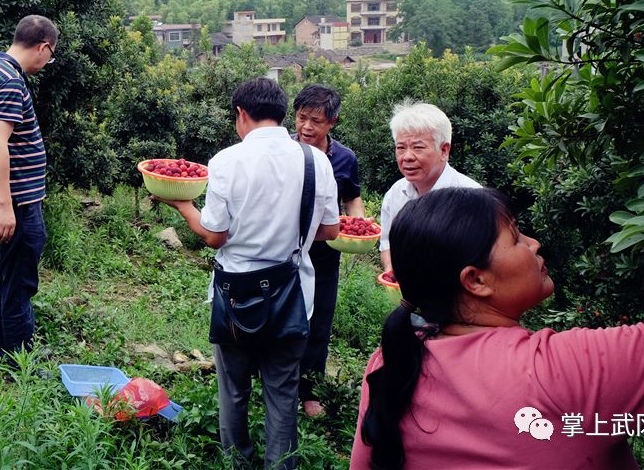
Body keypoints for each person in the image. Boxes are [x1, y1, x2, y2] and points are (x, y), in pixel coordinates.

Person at [350, 187, 644, 469]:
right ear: (476, 280)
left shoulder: (389, 362)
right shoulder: (563, 368)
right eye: (515, 238)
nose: (533, 244)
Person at [156, 77, 341, 469]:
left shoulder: (227, 160)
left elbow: (214, 236)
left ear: (241, 114)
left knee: (234, 390)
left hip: (235, 298)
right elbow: (330, 231)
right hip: (293, 295)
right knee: (282, 393)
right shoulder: (316, 161)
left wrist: (183, 207)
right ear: (281, 114)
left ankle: (236, 462)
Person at [0, 15, 57, 362]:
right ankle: (20, 361)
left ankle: (2, 349)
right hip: (16, 201)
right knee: (19, 279)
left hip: (13, 198)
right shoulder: (8, 81)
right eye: (50, 55)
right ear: (43, 47)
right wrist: (5, 205)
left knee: (4, 274)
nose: (48, 62)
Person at [291, 84, 365, 419]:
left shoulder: (345, 159)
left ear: (332, 122)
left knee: (319, 320)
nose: (306, 126)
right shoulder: (284, 151)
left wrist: (359, 225)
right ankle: (274, 382)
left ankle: (310, 391)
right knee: (280, 315)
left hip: (323, 250)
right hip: (284, 249)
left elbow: (352, 198)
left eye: (316, 121)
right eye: (302, 117)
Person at [379, 100, 479, 272]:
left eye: (418, 147)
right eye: (401, 148)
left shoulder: (474, 199)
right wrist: (392, 271)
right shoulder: (396, 193)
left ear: (444, 150)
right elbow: (387, 242)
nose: (407, 157)